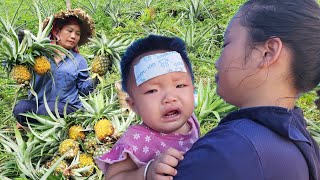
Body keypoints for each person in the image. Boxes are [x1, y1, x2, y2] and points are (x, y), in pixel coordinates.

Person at [174, 0, 320, 180]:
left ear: (268, 52)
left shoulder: (227, 151)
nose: (217, 62)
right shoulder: (302, 141)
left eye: (226, 44)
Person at [95, 35, 200, 180]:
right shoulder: (135, 141)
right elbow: (113, 177)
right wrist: (145, 173)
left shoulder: (191, 120)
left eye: (180, 85)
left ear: (192, 90)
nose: (169, 98)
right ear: (134, 105)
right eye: (152, 91)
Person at [13, 8, 96, 126]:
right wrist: (23, 45)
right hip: (39, 104)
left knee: (47, 110)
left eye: (77, 34)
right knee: (21, 108)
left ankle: (40, 126)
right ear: (57, 32)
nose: (73, 36)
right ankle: (35, 127)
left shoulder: (79, 60)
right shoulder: (39, 55)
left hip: (67, 107)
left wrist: (96, 76)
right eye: (69, 31)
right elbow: (20, 68)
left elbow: (83, 90)